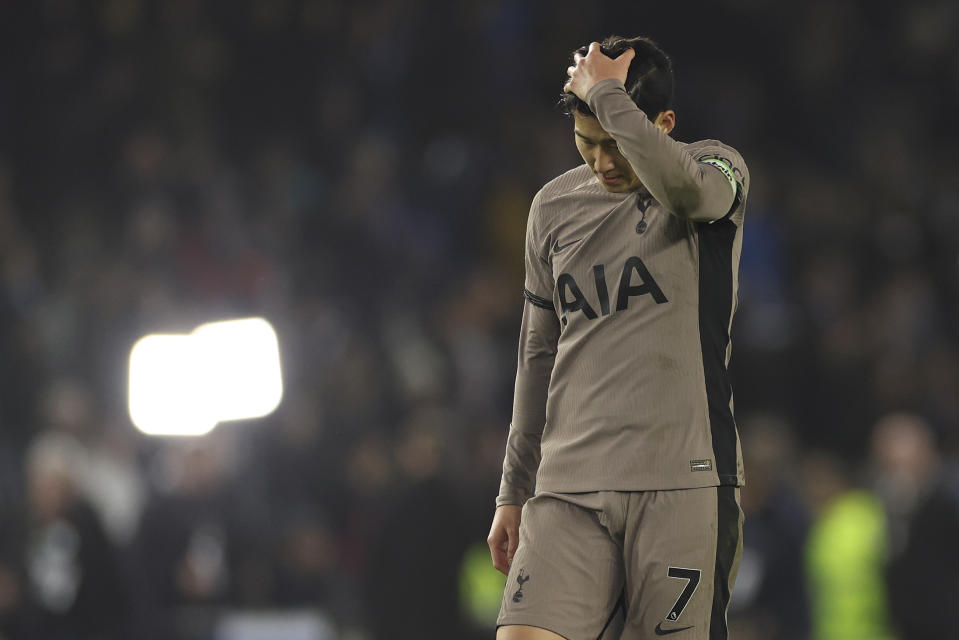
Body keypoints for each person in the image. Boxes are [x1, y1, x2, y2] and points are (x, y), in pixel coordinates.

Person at [487, 35, 750, 640]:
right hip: (568, 485)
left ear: (662, 123)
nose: (602, 162)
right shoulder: (553, 207)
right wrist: (513, 491)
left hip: (682, 481)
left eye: (614, 142)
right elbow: (537, 357)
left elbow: (686, 191)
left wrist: (604, 91)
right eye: (587, 144)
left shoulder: (714, 168)